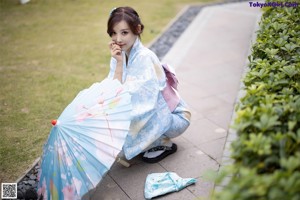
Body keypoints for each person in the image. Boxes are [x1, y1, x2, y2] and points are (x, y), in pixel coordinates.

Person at [107, 7, 191, 163]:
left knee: (126, 112)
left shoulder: (145, 57)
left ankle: (163, 144)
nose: (118, 39)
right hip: (155, 112)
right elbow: (113, 90)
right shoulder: (119, 54)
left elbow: (145, 103)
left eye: (124, 32)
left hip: (174, 116)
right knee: (113, 108)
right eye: (113, 33)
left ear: (137, 29)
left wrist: (117, 112)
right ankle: (147, 141)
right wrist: (119, 63)